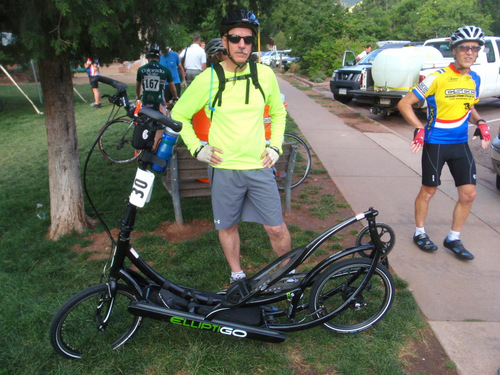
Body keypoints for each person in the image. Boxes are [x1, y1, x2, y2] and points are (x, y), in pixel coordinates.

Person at [171, 9, 291, 283]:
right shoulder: (209, 78)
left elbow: (279, 113)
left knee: (275, 227)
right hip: (224, 168)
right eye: (235, 38)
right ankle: (237, 275)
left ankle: (288, 271)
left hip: (259, 166)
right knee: (228, 225)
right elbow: (178, 114)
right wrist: (197, 148)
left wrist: (275, 148)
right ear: (224, 41)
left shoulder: (264, 75)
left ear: (253, 44)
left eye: (248, 40)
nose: (241, 45)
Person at [397, 25, 491, 261]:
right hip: (436, 143)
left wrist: (480, 122)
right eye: (465, 48)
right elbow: (404, 103)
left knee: (469, 194)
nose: (470, 52)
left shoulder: (474, 78)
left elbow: (469, 108)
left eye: (475, 48)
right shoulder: (436, 78)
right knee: (429, 191)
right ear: (454, 50)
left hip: (460, 145)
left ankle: (453, 238)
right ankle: (420, 232)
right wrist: (419, 129)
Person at [136, 44, 178, 113]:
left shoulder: (141, 70)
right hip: (159, 102)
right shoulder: (165, 70)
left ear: (148, 57)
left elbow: (138, 87)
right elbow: (173, 88)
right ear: (159, 57)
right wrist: (175, 97)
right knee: (163, 120)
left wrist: (138, 96)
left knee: (145, 120)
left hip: (146, 101)